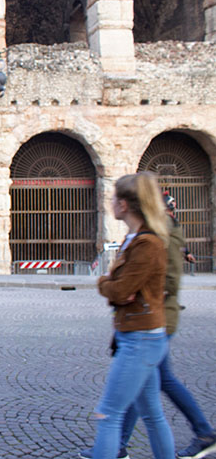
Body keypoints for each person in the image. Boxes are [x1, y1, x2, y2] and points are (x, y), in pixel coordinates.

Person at [114, 194, 216, 459]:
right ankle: (119, 444)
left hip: (157, 317)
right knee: (148, 381)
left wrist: (136, 291)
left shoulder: (164, 230)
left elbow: (168, 279)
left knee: (152, 379)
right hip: (153, 316)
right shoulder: (161, 229)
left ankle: (204, 432)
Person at [81, 172, 174, 459]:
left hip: (141, 338)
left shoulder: (147, 244)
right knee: (151, 414)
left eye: (113, 198)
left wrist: (104, 283)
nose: (110, 203)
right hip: (137, 334)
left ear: (124, 204)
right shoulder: (133, 240)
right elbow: (121, 289)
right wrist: (114, 286)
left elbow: (120, 290)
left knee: (108, 414)